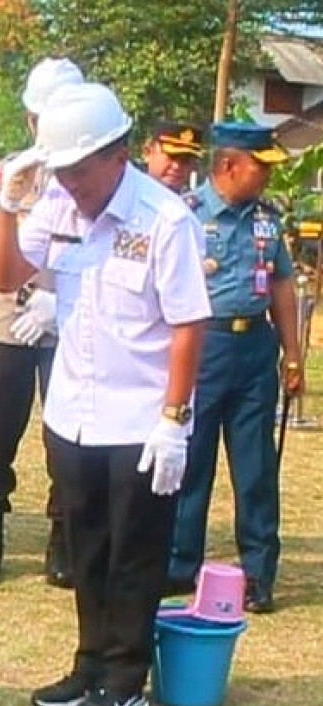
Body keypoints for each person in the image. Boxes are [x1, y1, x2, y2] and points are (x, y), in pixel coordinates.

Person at [0, 82, 210, 706]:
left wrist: (174, 420)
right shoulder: (58, 204)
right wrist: (6, 207)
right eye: (62, 171)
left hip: (140, 418)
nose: (72, 183)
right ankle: (89, 664)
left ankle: (124, 679)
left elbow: (188, 324)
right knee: (85, 546)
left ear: (118, 154)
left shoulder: (164, 220)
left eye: (80, 170)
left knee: (133, 554)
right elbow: (5, 276)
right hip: (74, 412)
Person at [166, 124, 305, 614]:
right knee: (192, 460)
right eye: (259, 166)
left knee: (256, 468)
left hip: (255, 351)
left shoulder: (267, 218)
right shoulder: (185, 214)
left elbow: (282, 285)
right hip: (204, 346)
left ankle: (258, 572)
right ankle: (179, 563)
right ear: (228, 165)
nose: (267, 175)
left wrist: (293, 354)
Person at [0, 56, 84, 587]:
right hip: (8, 321)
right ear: (31, 119)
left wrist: (55, 300)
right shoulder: (8, 177)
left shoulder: (91, 179)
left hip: (72, 324)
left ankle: (63, 538)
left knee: (68, 436)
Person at [143, 121, 204, 194]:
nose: (177, 166)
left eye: (186, 160)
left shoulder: (193, 200)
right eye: (171, 156)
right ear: (148, 153)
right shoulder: (131, 193)